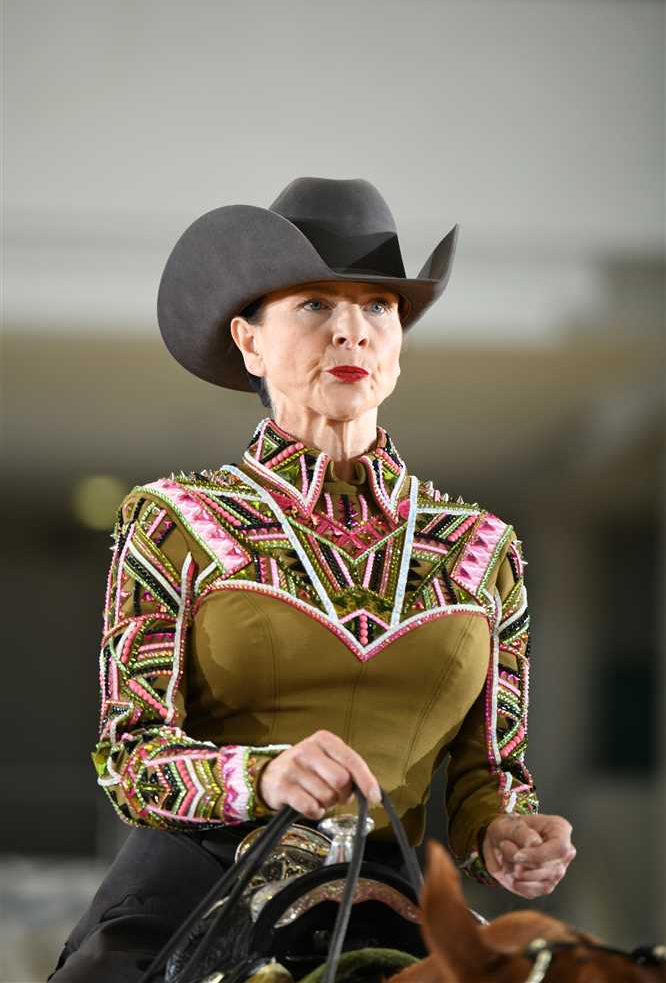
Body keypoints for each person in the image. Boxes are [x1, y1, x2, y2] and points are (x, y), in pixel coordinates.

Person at [49, 177, 575, 982]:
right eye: (315, 305)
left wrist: (506, 832)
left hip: (390, 894)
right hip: (193, 892)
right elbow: (132, 757)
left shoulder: (483, 547)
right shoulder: (174, 521)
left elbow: (491, 774)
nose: (351, 330)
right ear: (249, 342)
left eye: (379, 307)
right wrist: (262, 775)